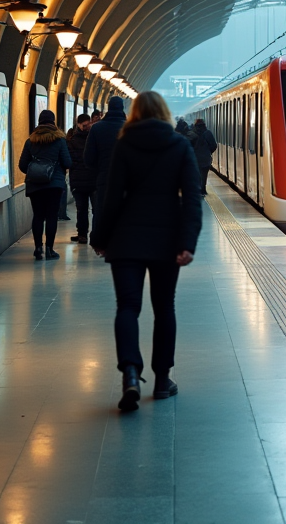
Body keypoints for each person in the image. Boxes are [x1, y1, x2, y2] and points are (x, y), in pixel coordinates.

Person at [92, 92, 202, 411]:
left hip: (126, 237)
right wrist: (188, 242)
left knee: (127, 306)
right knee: (164, 307)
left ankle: (129, 372)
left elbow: (111, 197)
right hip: (167, 239)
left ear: (135, 113)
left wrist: (100, 237)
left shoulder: (125, 145)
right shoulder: (179, 145)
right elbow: (191, 197)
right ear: (165, 113)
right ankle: (162, 380)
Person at [19, 110, 73, 260]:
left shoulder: (30, 141)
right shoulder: (60, 140)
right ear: (53, 122)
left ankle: (38, 249)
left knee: (38, 216)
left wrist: (36, 170)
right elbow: (68, 162)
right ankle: (49, 249)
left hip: (35, 185)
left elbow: (23, 165)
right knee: (51, 216)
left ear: (39, 122)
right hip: (54, 185)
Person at [84, 96, 128, 232]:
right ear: (122, 108)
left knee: (102, 210)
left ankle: (101, 243)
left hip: (104, 178)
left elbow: (88, 158)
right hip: (126, 180)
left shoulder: (97, 128)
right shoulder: (131, 128)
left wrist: (99, 171)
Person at [67, 113, 95, 244]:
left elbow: (70, 161)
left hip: (79, 180)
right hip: (92, 179)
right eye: (85, 124)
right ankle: (94, 234)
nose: (87, 126)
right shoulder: (94, 139)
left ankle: (83, 234)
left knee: (82, 209)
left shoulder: (72, 140)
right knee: (95, 209)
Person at [190, 118, 218, 196]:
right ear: (204, 125)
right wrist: (208, 152)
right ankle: (203, 189)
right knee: (204, 174)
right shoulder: (208, 133)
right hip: (205, 158)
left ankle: (198, 188)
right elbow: (214, 145)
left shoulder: (191, 133)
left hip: (194, 159)